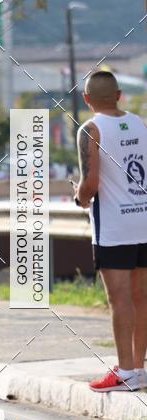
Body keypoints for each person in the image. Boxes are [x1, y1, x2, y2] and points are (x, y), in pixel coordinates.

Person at [73, 71, 147, 392]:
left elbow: (90, 185)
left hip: (114, 228)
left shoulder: (90, 130)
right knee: (141, 298)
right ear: (119, 96)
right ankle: (140, 368)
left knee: (119, 301)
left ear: (87, 99)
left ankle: (125, 371)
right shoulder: (141, 124)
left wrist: (79, 197)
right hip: (144, 222)